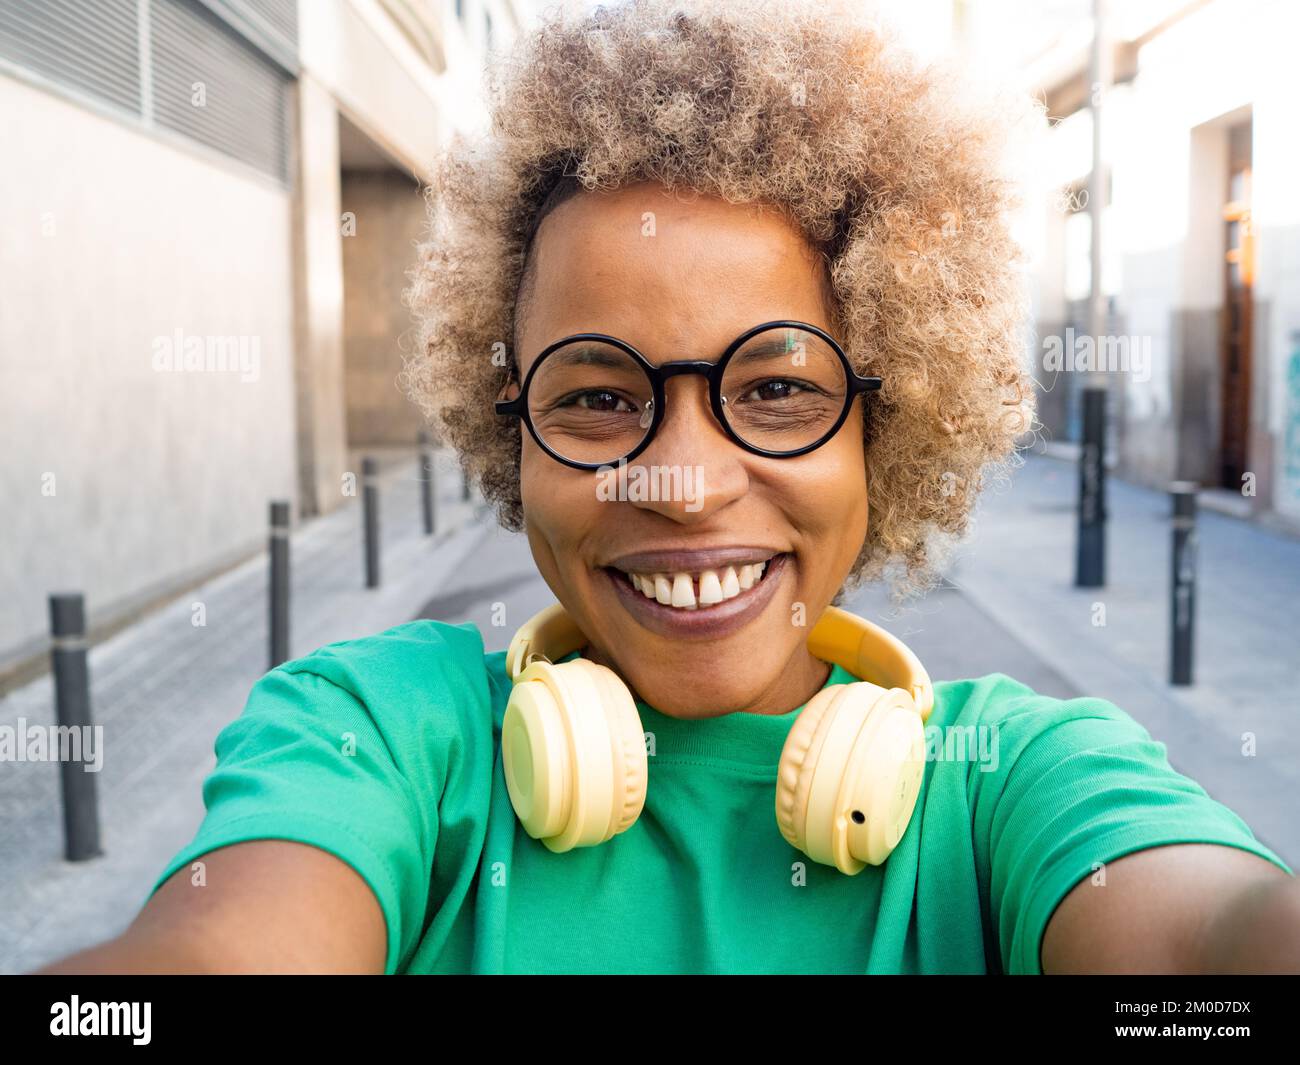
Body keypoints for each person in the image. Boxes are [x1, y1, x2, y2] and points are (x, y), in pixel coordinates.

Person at [39, 0, 1297, 975]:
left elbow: (1216, 948)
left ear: (887, 421)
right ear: (508, 427)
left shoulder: (1016, 781)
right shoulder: (377, 739)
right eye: (595, 396)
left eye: (778, 387)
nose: (685, 482)